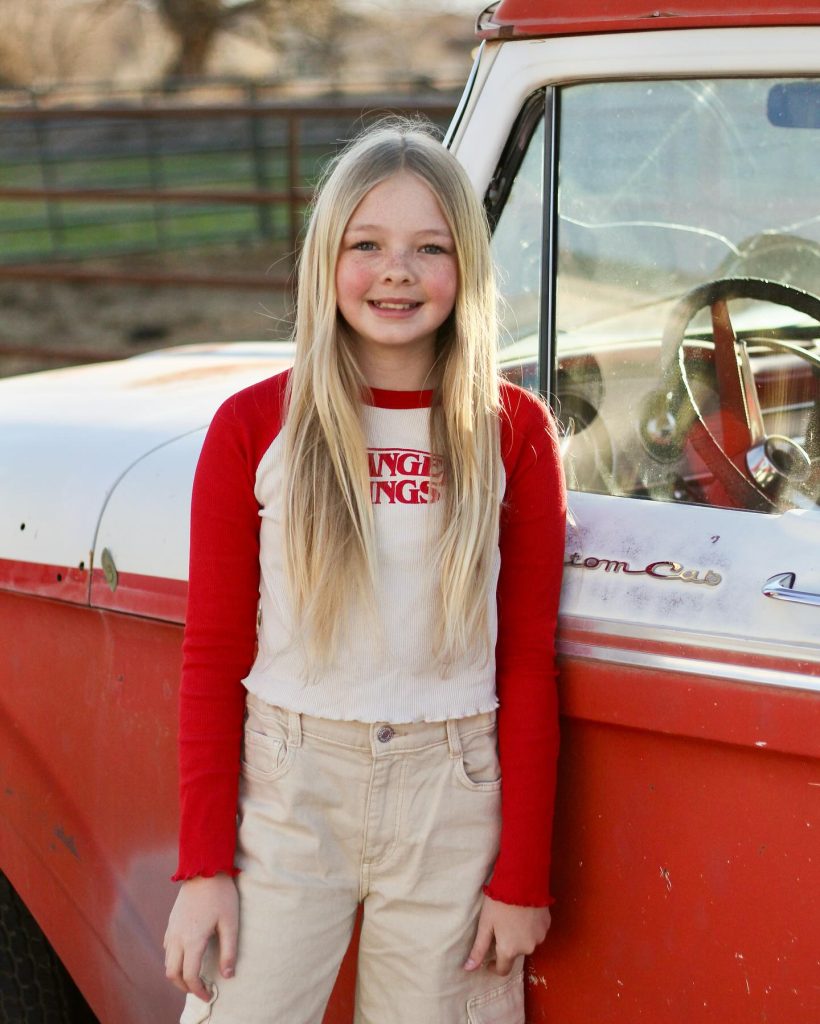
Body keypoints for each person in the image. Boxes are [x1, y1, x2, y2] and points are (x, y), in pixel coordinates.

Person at [163, 118, 566, 1024]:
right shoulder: (253, 427)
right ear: (327, 261)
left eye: (431, 247)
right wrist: (202, 869)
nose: (398, 272)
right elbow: (213, 654)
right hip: (288, 790)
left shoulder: (514, 433)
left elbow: (527, 662)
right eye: (368, 245)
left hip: (452, 797)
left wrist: (522, 877)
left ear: (467, 265)